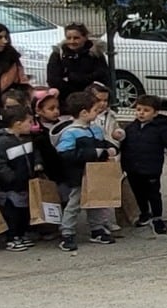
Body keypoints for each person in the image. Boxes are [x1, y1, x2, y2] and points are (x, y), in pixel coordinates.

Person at [49, 90, 119, 250]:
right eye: (95, 110)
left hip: (95, 173)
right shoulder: (70, 133)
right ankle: (67, 233)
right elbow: (66, 154)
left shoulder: (95, 129)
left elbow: (103, 144)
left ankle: (97, 229)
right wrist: (96, 152)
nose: (97, 113)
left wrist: (111, 147)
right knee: (74, 203)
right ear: (83, 113)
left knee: (96, 202)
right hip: (78, 175)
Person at [117, 96, 167, 234]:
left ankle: (158, 218)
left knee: (153, 194)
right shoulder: (130, 128)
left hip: (151, 168)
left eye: (146, 110)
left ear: (155, 113)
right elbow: (124, 147)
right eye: (138, 109)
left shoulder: (160, 128)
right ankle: (145, 213)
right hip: (133, 168)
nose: (141, 113)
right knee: (138, 193)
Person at [0, 104, 40, 250]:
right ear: (18, 124)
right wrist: (11, 178)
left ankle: (21, 234)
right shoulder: (0, 142)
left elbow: (35, 154)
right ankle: (12, 237)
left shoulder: (26, 138)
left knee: (24, 212)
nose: (31, 125)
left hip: (25, 183)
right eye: (29, 122)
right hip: (9, 187)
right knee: (12, 212)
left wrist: (38, 165)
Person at [44, 24, 110, 108]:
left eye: (76, 38)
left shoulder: (95, 54)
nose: (72, 41)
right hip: (65, 104)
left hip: (92, 103)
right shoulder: (58, 54)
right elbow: (53, 80)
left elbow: (102, 76)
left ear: (85, 37)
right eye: (69, 38)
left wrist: (75, 78)